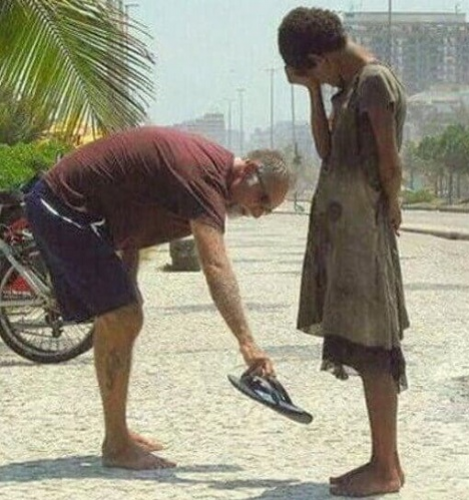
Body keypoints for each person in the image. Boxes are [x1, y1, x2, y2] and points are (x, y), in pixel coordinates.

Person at [24, 126, 293, 470]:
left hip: (80, 213)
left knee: (125, 314)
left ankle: (117, 433)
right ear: (250, 170)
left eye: (267, 211)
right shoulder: (205, 177)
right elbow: (215, 265)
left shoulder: (209, 176)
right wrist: (247, 343)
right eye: (263, 200)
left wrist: (128, 280)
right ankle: (116, 444)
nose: (258, 213)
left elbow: (133, 217)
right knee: (122, 317)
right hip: (60, 203)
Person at [278, 7, 410, 498]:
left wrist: (392, 205)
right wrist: (314, 91)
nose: (316, 79)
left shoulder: (373, 81)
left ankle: (386, 470)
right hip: (347, 234)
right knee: (363, 342)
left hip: (364, 234)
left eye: (311, 71)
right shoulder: (347, 87)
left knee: (374, 348)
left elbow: (389, 162)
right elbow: (329, 154)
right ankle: (384, 460)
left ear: (318, 56)